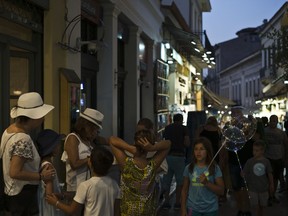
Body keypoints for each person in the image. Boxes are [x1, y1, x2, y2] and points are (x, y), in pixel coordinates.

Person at [0, 92, 55, 215]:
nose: (43, 119)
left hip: (11, 192)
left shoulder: (8, 131)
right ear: (33, 117)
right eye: (41, 116)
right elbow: (15, 172)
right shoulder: (23, 139)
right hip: (22, 196)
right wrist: (41, 176)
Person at [109, 129, 171, 216]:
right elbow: (168, 144)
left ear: (134, 143)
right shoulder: (152, 166)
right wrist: (152, 148)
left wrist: (130, 148)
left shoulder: (126, 165)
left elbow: (112, 140)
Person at [46, 146, 120, 216]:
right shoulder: (114, 184)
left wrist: (56, 202)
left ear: (90, 163)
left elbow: (72, 210)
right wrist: (64, 195)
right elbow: (117, 212)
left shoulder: (85, 185)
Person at [61, 108, 104, 194]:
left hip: (88, 186)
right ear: (84, 126)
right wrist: (90, 159)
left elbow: (110, 140)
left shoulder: (88, 141)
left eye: (95, 131)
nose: (93, 133)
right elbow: (74, 163)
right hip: (75, 187)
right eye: (92, 129)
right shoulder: (73, 138)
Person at [180, 137, 224, 216]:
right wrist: (183, 209)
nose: (198, 152)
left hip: (211, 209)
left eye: (202, 149)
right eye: (196, 149)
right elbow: (184, 190)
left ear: (207, 151)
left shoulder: (214, 168)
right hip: (192, 208)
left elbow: (221, 191)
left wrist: (207, 183)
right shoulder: (189, 168)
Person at [227, 106, 254, 216]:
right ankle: (240, 210)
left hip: (246, 160)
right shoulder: (229, 128)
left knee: (246, 187)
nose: (237, 115)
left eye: (238, 113)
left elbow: (255, 138)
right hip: (233, 160)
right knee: (237, 187)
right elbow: (226, 143)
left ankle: (246, 209)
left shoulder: (248, 126)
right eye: (234, 113)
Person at [136, 118, 168, 204]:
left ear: (150, 131)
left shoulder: (157, 147)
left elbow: (163, 166)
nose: (141, 134)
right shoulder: (135, 146)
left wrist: (146, 172)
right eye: (138, 131)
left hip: (152, 184)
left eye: (143, 131)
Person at [162, 113, 190, 209]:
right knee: (180, 181)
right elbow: (187, 143)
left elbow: (164, 141)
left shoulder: (167, 128)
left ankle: (166, 202)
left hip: (168, 156)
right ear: (181, 120)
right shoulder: (184, 128)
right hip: (179, 157)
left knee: (167, 180)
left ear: (173, 119)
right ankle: (178, 203)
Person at [36, 129, 66, 216]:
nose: (59, 146)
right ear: (52, 147)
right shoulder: (49, 166)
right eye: (57, 144)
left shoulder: (42, 164)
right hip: (50, 209)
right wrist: (62, 196)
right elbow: (49, 194)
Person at [242, 140, 274, 216]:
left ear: (262, 151)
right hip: (252, 188)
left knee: (263, 205)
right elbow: (244, 172)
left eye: (257, 150)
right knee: (255, 206)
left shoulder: (266, 161)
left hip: (263, 188)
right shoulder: (249, 161)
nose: (254, 152)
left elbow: (270, 174)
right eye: (253, 150)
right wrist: (243, 174)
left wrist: (271, 184)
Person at [264, 115, 288, 205]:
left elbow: (286, 145)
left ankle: (272, 196)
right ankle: (269, 197)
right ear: (269, 121)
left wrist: (285, 158)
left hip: (279, 158)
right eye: (272, 120)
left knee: (275, 178)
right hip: (268, 158)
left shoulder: (281, 133)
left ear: (277, 121)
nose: (273, 122)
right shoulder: (265, 131)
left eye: (275, 121)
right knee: (268, 178)